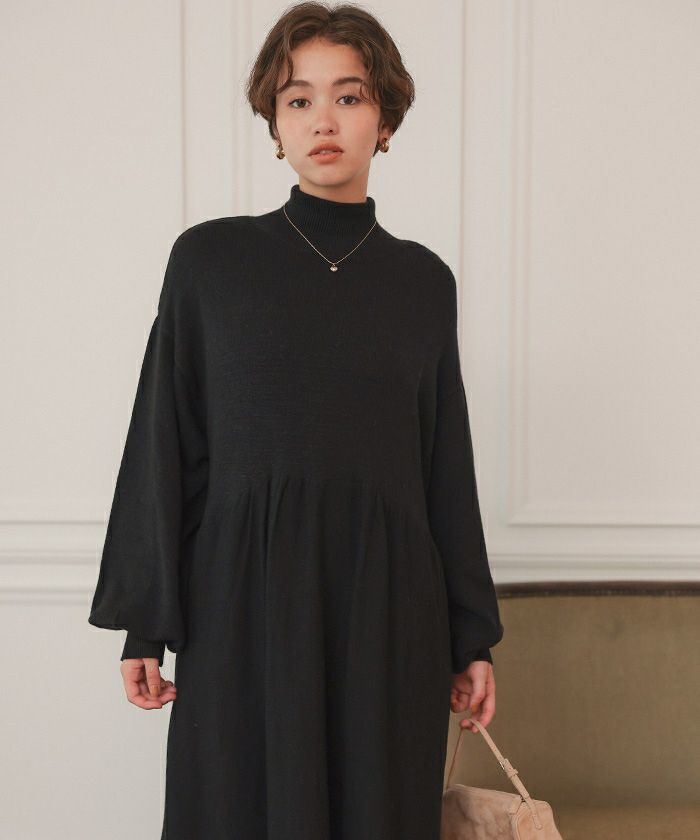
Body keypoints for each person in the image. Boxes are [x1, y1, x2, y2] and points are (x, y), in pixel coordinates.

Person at [88, 2, 504, 837]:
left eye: (349, 97)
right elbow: (165, 439)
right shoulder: (209, 261)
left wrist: (471, 637)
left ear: (385, 119)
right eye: (298, 99)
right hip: (241, 605)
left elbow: (443, 465)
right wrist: (146, 625)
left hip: (387, 612)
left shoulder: (424, 283)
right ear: (274, 124)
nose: (324, 120)